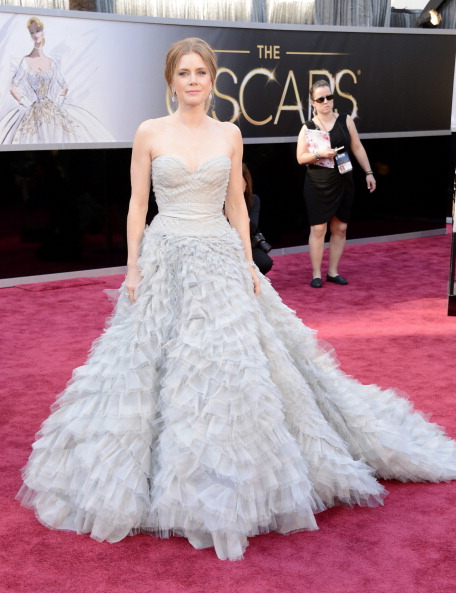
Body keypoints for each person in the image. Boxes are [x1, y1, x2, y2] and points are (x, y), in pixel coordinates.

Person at [17, 38, 456, 562]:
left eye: (201, 72)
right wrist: (132, 267)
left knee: (230, 365)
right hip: (164, 259)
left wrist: (248, 261)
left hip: (220, 258)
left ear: (213, 79)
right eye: (184, 72)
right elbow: (137, 205)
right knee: (151, 367)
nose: (193, 80)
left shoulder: (229, 133)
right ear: (171, 80)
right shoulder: (149, 132)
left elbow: (237, 208)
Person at [296, 80, 376, 288]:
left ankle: (333, 272)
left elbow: (357, 147)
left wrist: (368, 172)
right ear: (313, 103)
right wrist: (319, 154)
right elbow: (300, 158)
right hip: (318, 183)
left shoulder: (345, 120)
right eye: (321, 99)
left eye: (329, 97)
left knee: (340, 227)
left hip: (343, 179)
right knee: (319, 228)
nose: (326, 102)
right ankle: (316, 274)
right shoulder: (308, 127)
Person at [0, 17, 113, 144]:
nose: (35, 35)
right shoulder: (25, 61)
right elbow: (13, 88)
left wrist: (58, 103)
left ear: (43, 32)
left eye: (38, 30)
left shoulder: (51, 63)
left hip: (52, 108)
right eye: (32, 32)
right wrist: (28, 104)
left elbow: (64, 86)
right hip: (34, 110)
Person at [242, 162, 273, 275]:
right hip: (226, 243)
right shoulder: (221, 201)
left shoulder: (253, 200)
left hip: (246, 242)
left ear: (246, 182)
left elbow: (253, 227)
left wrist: (239, 205)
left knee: (264, 262)